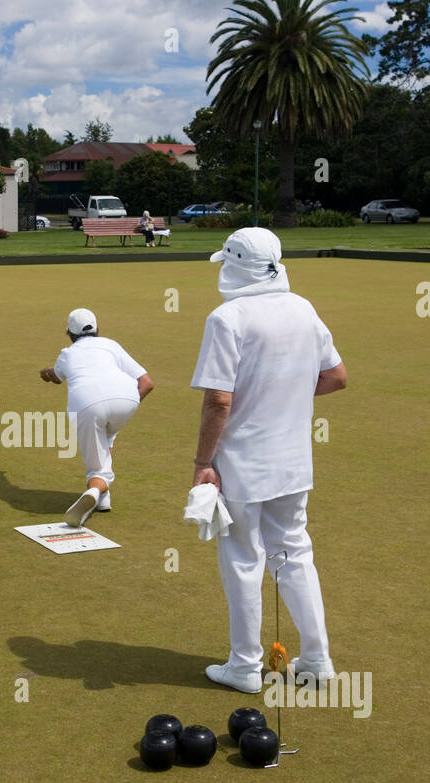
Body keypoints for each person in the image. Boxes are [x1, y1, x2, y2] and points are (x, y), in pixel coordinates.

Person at [189, 227, 347, 694]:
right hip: (294, 459)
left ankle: (244, 667)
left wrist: (203, 462)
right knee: (294, 554)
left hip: (242, 462)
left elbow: (219, 400)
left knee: (242, 559)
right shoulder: (303, 308)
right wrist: (287, 394)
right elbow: (336, 377)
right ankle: (317, 661)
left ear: (233, 266)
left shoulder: (227, 317)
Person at [39, 308, 154, 527]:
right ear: (97, 329)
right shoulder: (111, 345)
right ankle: (103, 498)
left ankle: (94, 489)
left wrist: (45, 372)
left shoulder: (67, 353)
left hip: (87, 406)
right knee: (107, 436)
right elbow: (147, 383)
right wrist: (125, 404)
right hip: (126, 400)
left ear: (69, 333)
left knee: (97, 467)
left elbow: (56, 377)